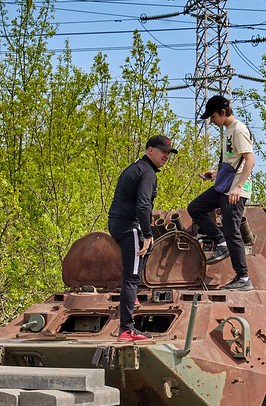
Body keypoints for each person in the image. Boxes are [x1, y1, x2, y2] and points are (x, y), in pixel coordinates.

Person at [108, 134, 177, 341]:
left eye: (168, 153)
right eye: (162, 152)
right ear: (150, 150)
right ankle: (127, 329)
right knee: (132, 277)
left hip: (117, 223)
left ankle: (132, 298)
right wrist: (147, 234)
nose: (166, 156)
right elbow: (143, 205)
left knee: (140, 260)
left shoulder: (136, 167)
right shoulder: (148, 173)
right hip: (130, 226)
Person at [188, 94, 256, 291]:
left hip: (236, 188)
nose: (211, 121)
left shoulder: (239, 130)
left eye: (213, 116)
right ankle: (221, 242)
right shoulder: (228, 130)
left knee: (232, 228)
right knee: (195, 208)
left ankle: (243, 278)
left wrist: (237, 187)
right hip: (225, 184)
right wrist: (216, 173)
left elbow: (249, 160)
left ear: (223, 112)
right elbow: (234, 161)